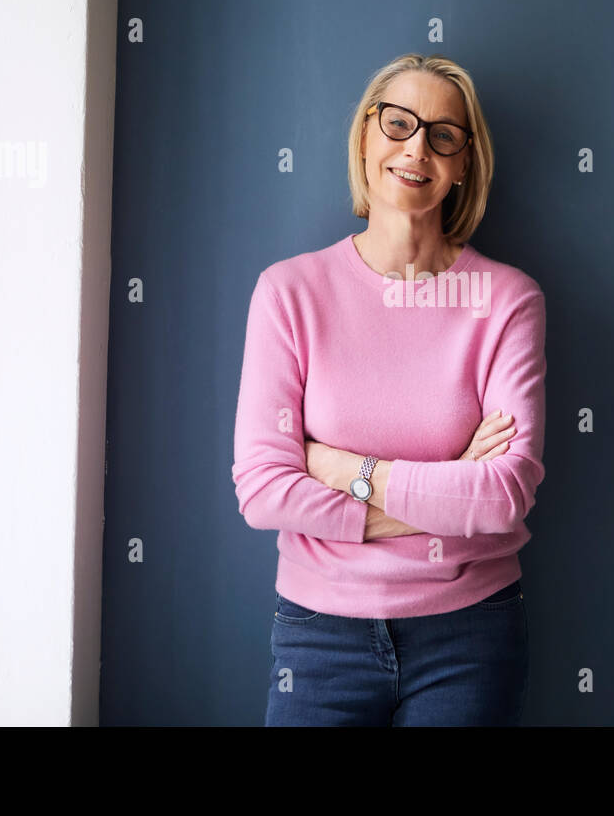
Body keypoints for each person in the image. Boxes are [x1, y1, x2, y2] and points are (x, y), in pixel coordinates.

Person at [231, 52, 547, 725]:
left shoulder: (508, 300)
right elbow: (261, 492)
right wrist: (451, 480)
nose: (415, 148)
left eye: (442, 134)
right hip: (318, 636)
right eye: (398, 123)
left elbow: (503, 496)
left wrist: (342, 470)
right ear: (367, 136)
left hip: (470, 636)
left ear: (464, 162)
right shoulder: (289, 293)